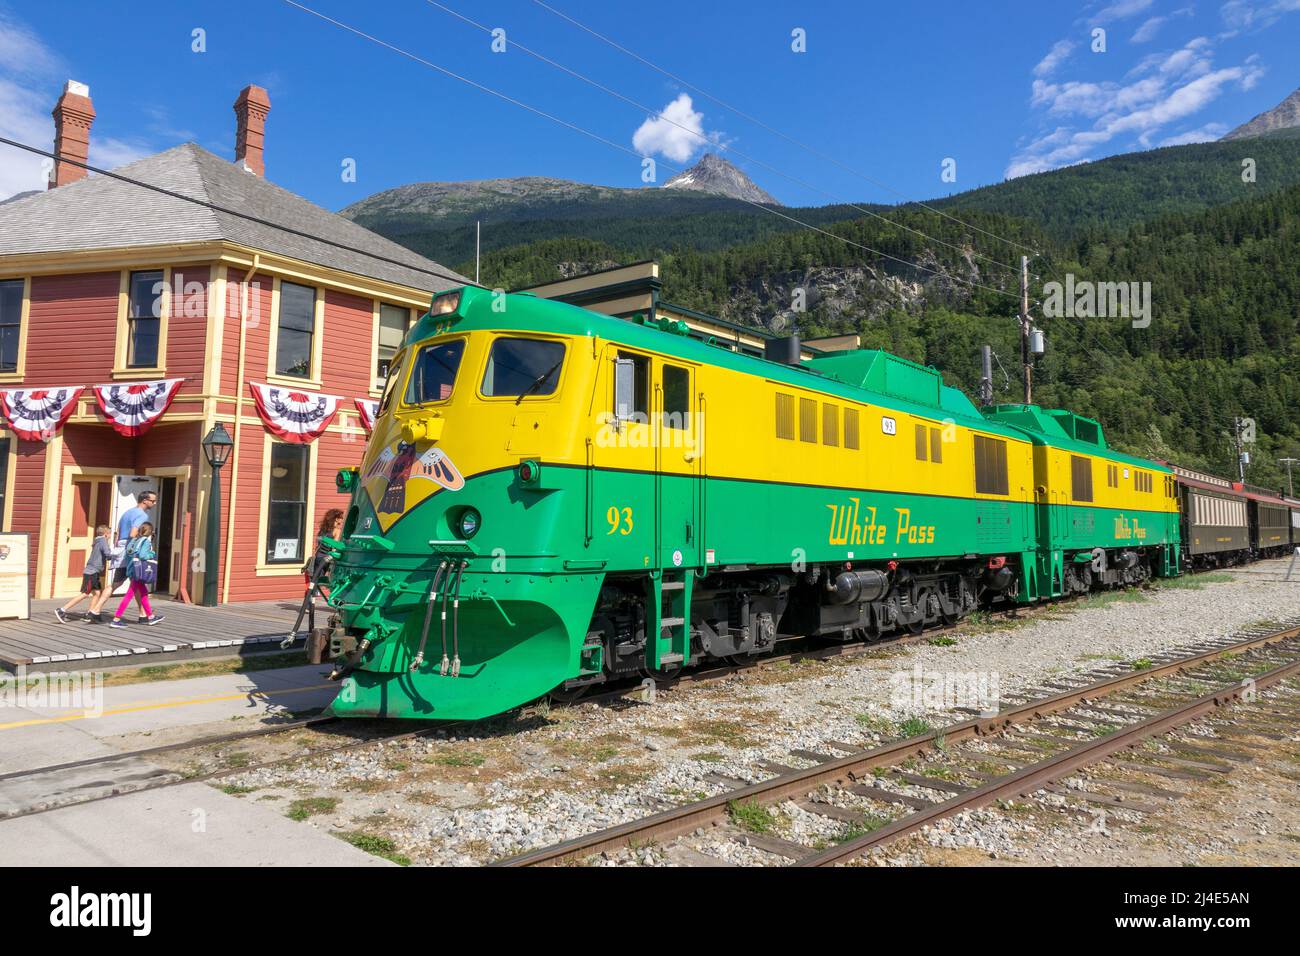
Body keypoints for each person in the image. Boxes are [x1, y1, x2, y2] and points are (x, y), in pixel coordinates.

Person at [88, 489, 156, 619]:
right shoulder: (142, 515)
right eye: (153, 501)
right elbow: (132, 533)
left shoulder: (127, 513)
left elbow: (117, 533)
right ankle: (96, 610)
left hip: (121, 546)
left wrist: (117, 547)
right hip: (129, 550)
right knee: (125, 582)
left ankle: (143, 614)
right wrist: (142, 542)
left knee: (132, 583)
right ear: (145, 501)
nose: (155, 503)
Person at [109, 521, 165, 628]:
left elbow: (129, 554)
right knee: (129, 595)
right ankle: (116, 619)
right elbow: (143, 556)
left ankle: (151, 616)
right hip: (139, 572)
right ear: (149, 532)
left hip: (131, 570)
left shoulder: (133, 541)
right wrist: (152, 553)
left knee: (143, 592)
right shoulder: (145, 542)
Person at [56, 524, 111, 623]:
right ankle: (62, 610)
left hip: (93, 571)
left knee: (97, 593)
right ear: (106, 534)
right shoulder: (103, 541)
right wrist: (112, 556)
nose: (110, 536)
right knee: (85, 593)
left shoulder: (97, 540)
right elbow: (107, 553)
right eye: (110, 533)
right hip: (91, 572)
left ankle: (90, 614)